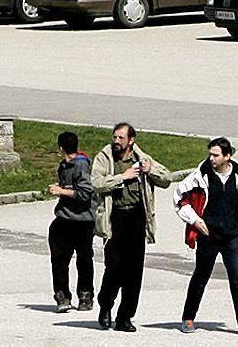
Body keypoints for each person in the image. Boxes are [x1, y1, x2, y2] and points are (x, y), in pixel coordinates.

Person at [92, 121, 172, 333]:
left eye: (121, 138)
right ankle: (105, 305)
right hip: (115, 217)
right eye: (115, 137)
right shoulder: (105, 157)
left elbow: (167, 179)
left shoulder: (141, 158)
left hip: (137, 217)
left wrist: (150, 169)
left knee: (134, 271)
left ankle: (125, 317)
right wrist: (122, 177)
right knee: (114, 267)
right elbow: (97, 183)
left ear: (131, 140)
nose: (116, 141)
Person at [175, 138, 238, 336]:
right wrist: (195, 221)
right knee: (200, 277)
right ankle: (188, 318)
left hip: (232, 236)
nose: (211, 158)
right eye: (210, 154)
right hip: (208, 236)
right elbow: (178, 198)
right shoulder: (200, 176)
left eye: (216, 155)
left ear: (227, 156)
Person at [47, 130, 95, 313]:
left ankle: (85, 296)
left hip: (82, 221)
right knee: (59, 259)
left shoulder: (81, 166)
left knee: (84, 260)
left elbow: (84, 193)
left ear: (61, 148)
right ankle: (62, 296)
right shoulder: (64, 165)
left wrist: (61, 191)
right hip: (64, 219)